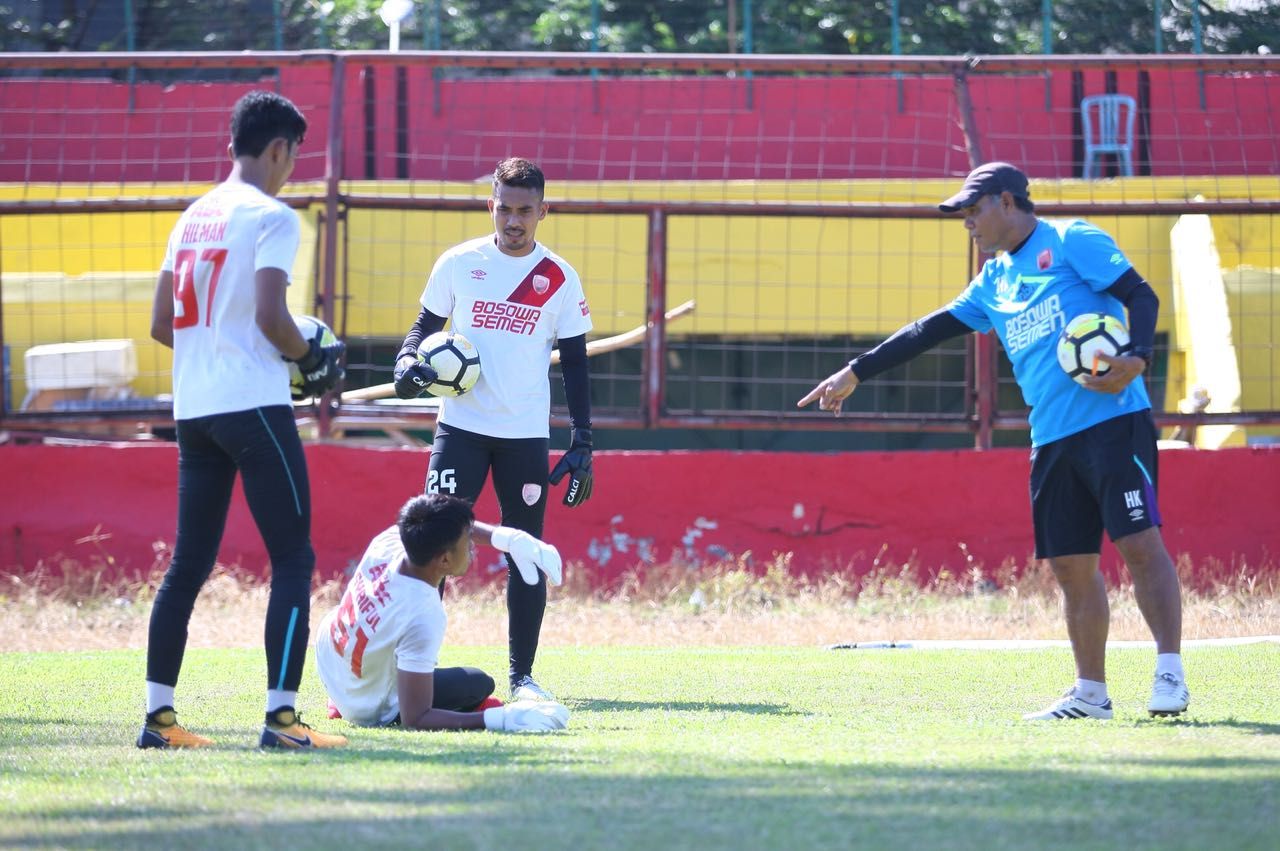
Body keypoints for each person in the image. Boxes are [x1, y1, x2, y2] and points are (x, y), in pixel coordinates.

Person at [799, 162, 1189, 721]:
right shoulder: (992, 282)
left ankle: (1170, 672)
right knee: (1071, 567)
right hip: (1052, 438)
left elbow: (1141, 295)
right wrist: (856, 370)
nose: (968, 224)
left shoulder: (1071, 239)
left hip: (1113, 423)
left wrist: (1137, 359)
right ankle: (1091, 694)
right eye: (962, 216)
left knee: (1139, 546)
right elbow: (926, 330)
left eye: (973, 210)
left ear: (1008, 202)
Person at [139, 90, 347, 749]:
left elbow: (159, 324)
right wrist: (307, 355)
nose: (292, 169)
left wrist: (229, 348)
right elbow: (270, 317)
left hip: (194, 409)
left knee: (188, 562)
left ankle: (159, 719)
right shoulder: (273, 216)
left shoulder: (191, 215)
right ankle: (282, 720)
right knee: (292, 556)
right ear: (279, 148)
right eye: (294, 156)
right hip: (254, 407)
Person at [391, 157, 594, 703]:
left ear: (543, 212)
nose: (514, 220)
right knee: (429, 548)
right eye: (505, 208)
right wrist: (407, 364)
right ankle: (413, 674)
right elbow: (421, 332)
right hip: (460, 428)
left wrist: (583, 441)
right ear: (491, 206)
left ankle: (523, 678)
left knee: (524, 550)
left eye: (525, 211)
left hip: (525, 435)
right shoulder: (459, 263)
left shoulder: (558, 277)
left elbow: (575, 363)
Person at [315, 493, 570, 732]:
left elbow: (449, 526)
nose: (472, 547)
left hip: (330, 657)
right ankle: (346, 702)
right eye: (466, 544)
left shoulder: (390, 541)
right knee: (478, 684)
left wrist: (509, 540)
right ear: (444, 560)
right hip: (362, 705)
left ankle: (341, 697)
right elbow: (416, 716)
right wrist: (499, 719)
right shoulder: (423, 612)